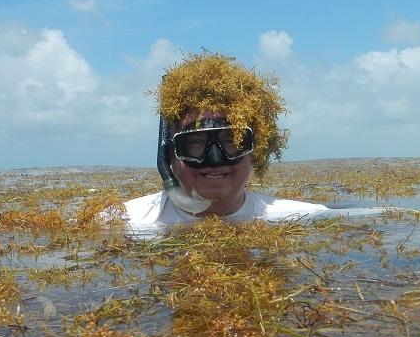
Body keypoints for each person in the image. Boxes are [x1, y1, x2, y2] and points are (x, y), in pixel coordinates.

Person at [122, 52, 327, 231]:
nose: (215, 159)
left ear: (256, 150)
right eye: (194, 142)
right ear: (170, 154)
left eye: (231, 139)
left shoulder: (308, 220)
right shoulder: (122, 222)